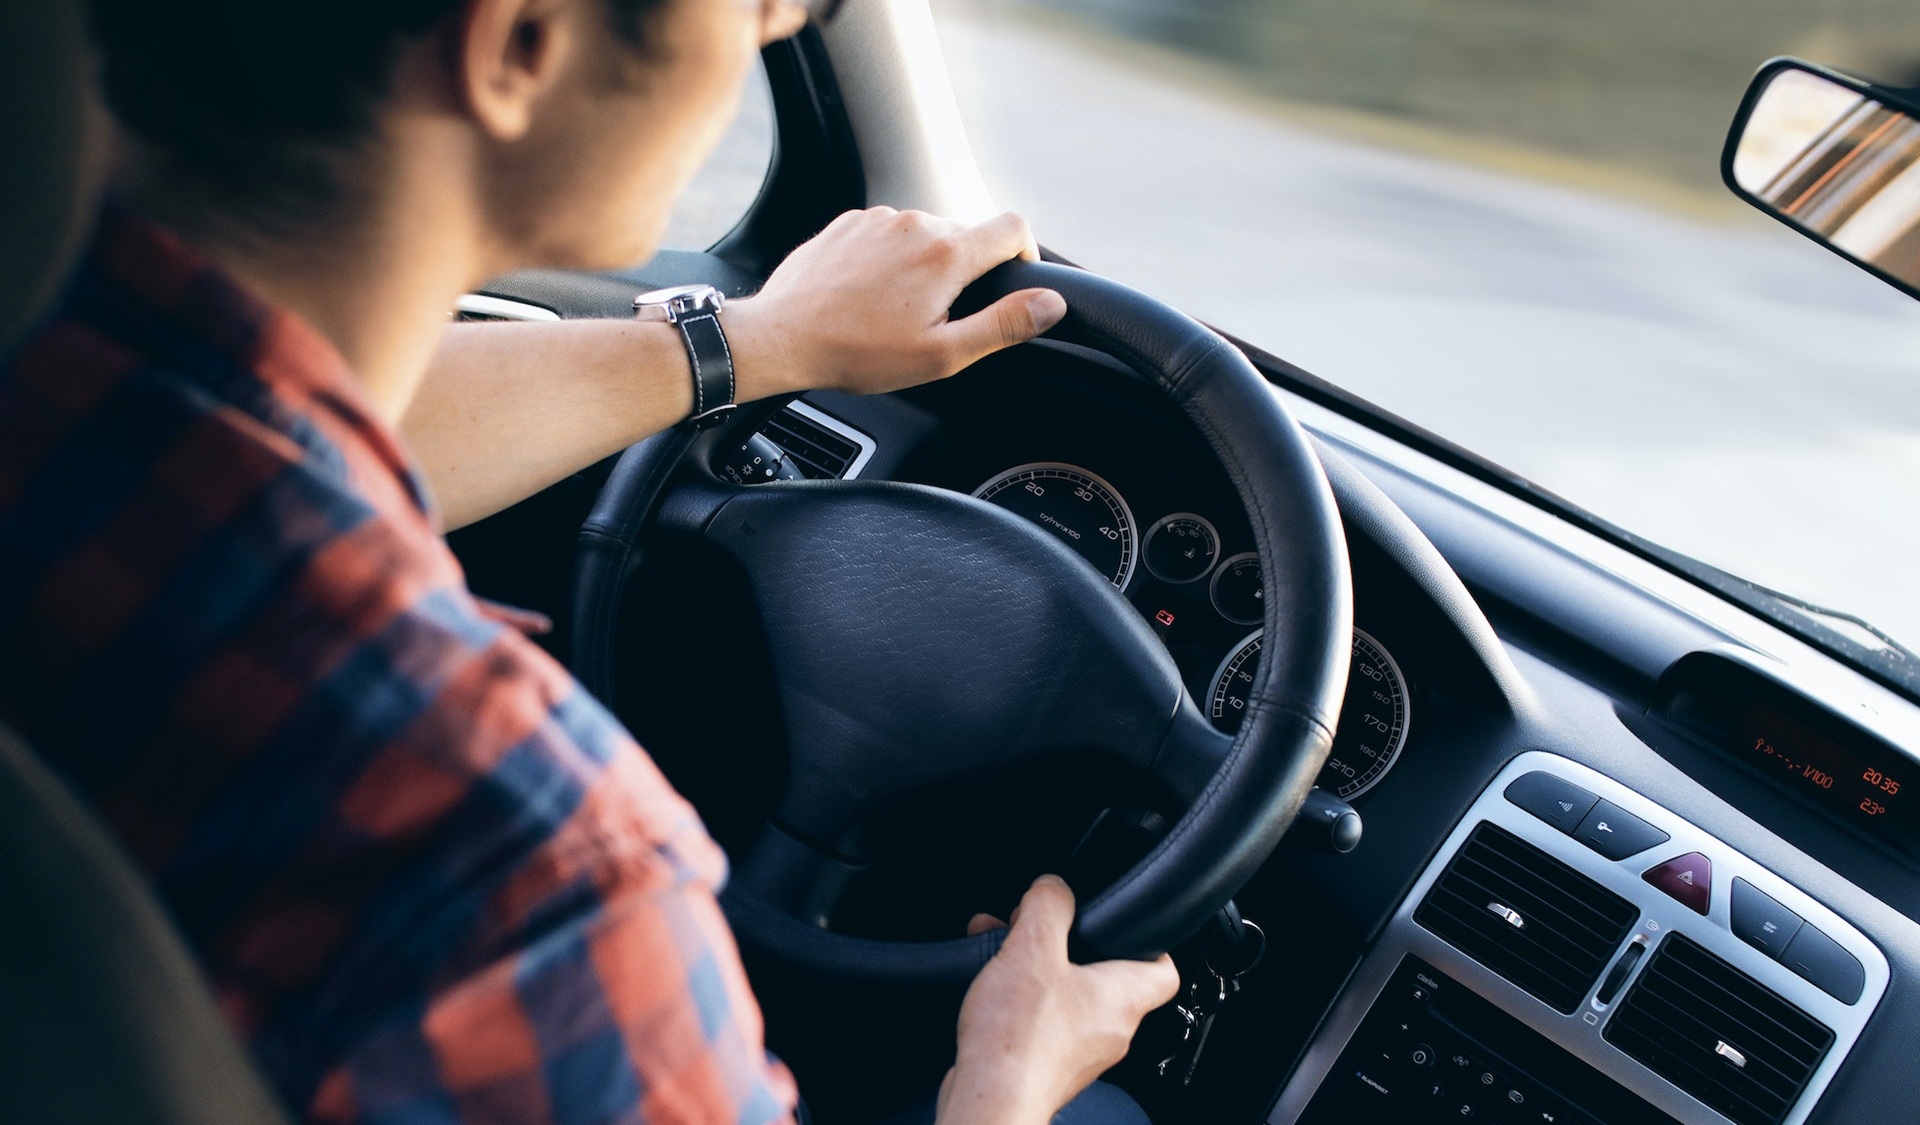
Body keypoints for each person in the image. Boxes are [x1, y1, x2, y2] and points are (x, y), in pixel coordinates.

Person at [0, 0, 1179, 1123]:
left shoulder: (62, 382)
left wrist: (758, 342)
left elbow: (300, 421)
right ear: (519, 42)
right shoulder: (527, 877)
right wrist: (1006, 1082)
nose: (773, 23)